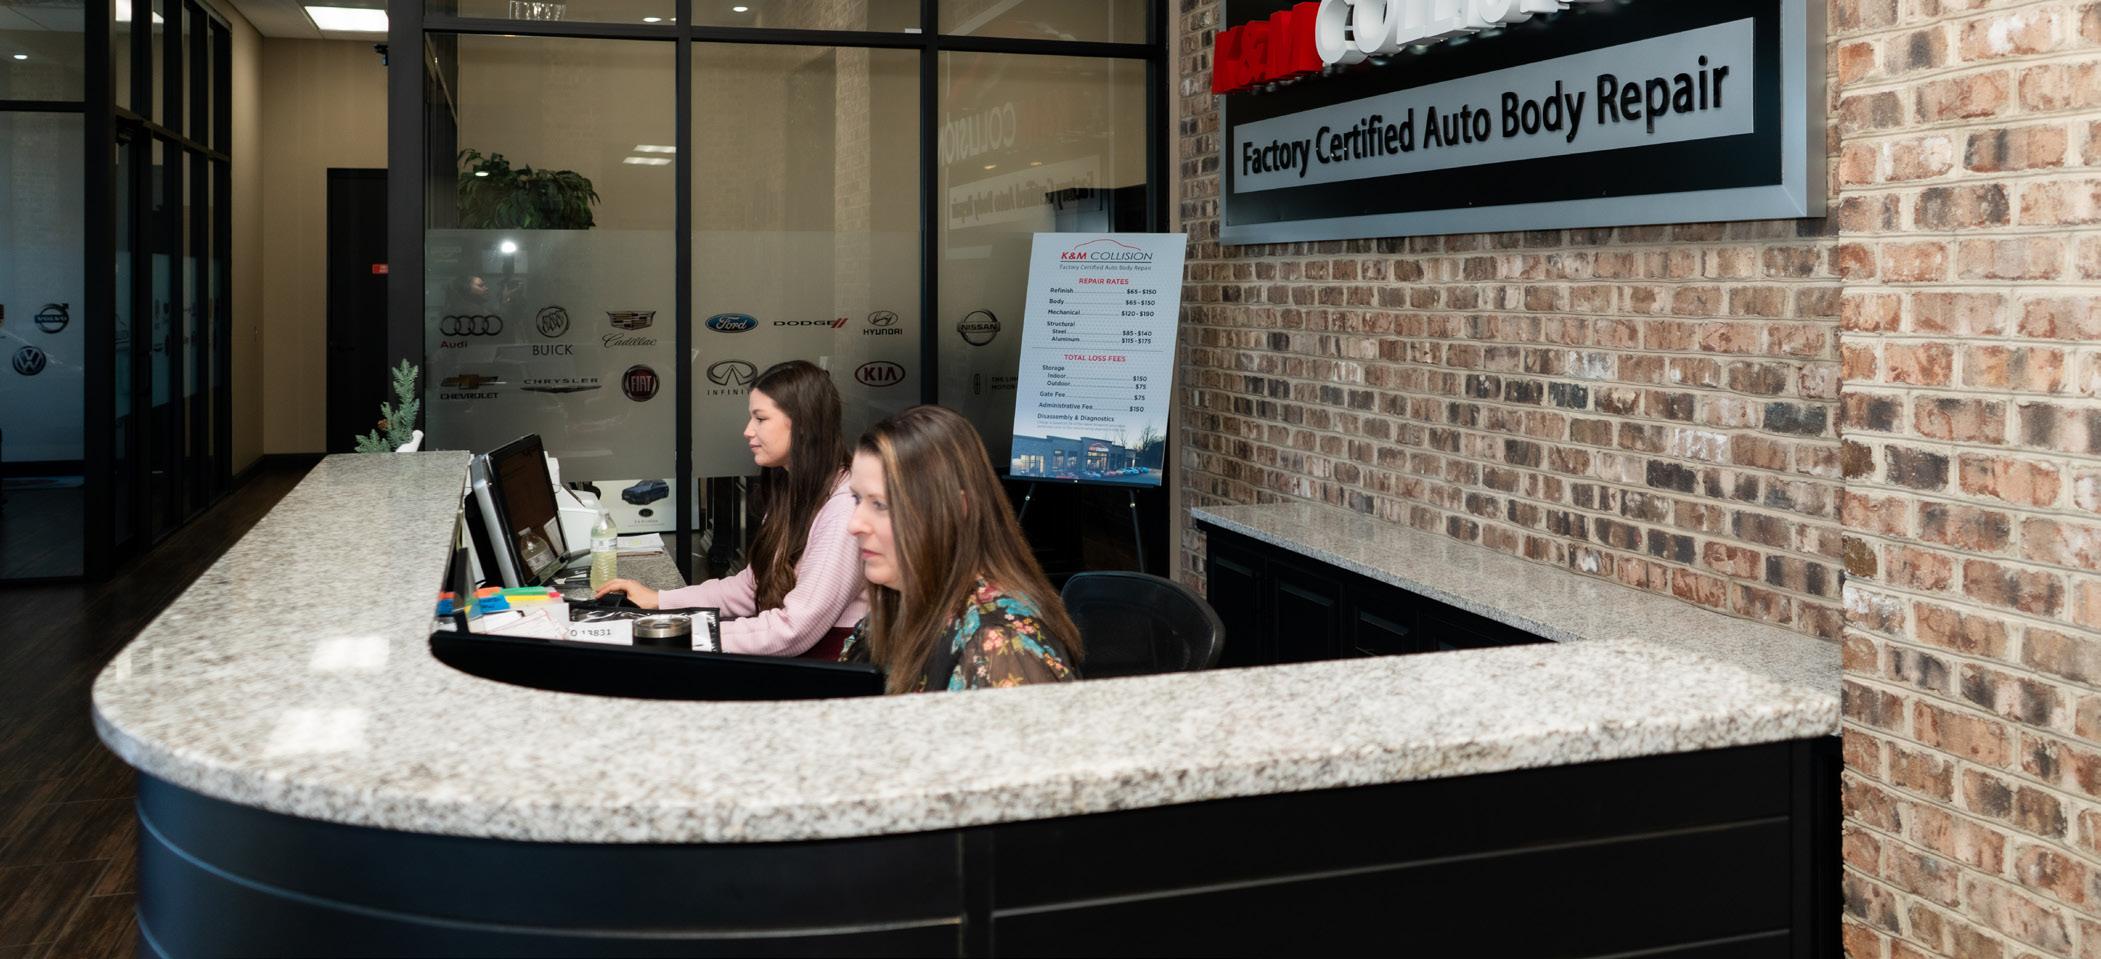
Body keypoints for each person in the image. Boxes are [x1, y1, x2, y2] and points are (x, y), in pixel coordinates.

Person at [592, 360, 866, 658]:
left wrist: (677, 632)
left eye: (761, 419)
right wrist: (660, 600)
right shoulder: (793, 489)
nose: (748, 431)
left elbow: (791, 631)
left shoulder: (843, 508)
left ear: (803, 423)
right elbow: (752, 587)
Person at [841, 405, 1082, 693]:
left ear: (955, 510)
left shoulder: (1001, 649)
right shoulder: (901, 604)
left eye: (880, 504)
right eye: (857, 499)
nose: (854, 524)